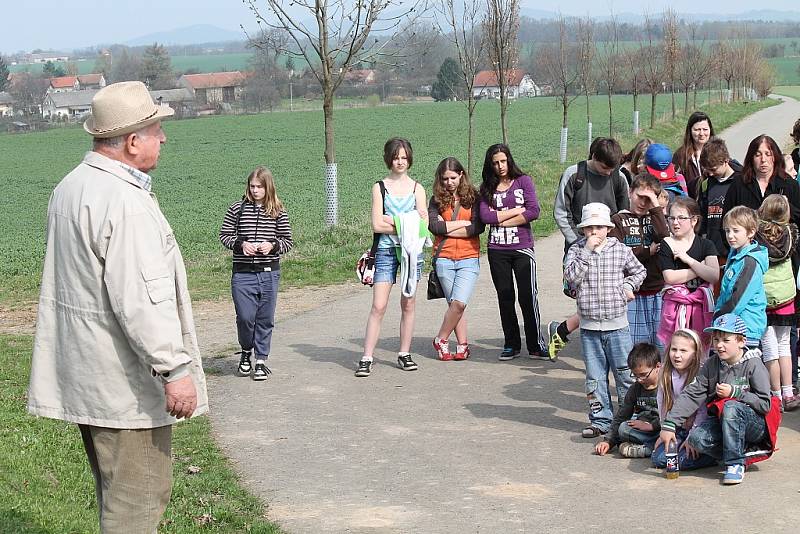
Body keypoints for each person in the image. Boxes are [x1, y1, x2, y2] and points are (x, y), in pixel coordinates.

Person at [27, 81, 208, 532]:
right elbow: (143, 299)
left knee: (116, 493)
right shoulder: (124, 202)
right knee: (137, 504)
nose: (163, 138)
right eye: (156, 129)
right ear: (131, 142)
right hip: (126, 384)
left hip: (91, 373)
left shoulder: (72, 187)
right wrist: (175, 370)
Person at [659, 314, 776, 485]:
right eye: (716, 339)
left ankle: (735, 463)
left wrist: (736, 393)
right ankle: (737, 452)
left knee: (731, 407)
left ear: (741, 342)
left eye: (726, 340)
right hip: (724, 422)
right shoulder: (713, 364)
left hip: (754, 426)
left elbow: (765, 404)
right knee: (696, 439)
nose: (719, 345)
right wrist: (670, 424)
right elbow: (692, 393)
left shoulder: (754, 364)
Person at [563, 203, 646, 438]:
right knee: (595, 377)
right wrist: (587, 252)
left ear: (608, 229)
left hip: (617, 325)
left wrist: (628, 285)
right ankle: (600, 420)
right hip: (589, 327)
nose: (594, 233)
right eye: (589, 228)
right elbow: (571, 277)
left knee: (625, 374)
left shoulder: (620, 250)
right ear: (583, 230)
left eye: (599, 227)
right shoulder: (577, 250)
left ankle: (629, 417)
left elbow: (639, 271)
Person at [548, 138, 629, 359]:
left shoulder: (618, 177)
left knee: (606, 298)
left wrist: (614, 242)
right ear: (594, 157)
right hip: (579, 248)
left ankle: (566, 330)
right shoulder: (575, 174)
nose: (608, 173)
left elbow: (625, 212)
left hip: (610, 250)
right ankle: (589, 346)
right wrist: (578, 242)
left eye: (612, 168)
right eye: (605, 168)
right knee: (586, 299)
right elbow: (561, 212)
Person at [357, 138, 428, 377]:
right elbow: (377, 224)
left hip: (412, 252)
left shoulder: (418, 188)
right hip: (386, 252)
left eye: (404, 157)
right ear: (389, 159)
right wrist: (407, 221)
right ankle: (367, 356)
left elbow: (423, 226)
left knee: (408, 303)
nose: (400, 162)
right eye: (396, 157)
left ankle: (404, 353)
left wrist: (394, 220)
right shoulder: (379, 187)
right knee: (379, 305)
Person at [219, 167, 293, 380]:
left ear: (267, 187)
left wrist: (272, 245)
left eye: (259, 186)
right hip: (243, 273)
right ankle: (245, 351)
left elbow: (288, 241)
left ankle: (260, 360)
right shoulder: (237, 209)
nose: (255, 190)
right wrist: (241, 244)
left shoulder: (278, 210)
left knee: (265, 317)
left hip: (269, 273)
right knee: (245, 317)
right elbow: (224, 235)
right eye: (252, 186)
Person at [478, 143, 547, 360]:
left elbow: (534, 210)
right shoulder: (486, 188)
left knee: (528, 296)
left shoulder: (523, 181)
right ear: (490, 164)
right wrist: (518, 210)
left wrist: (505, 220)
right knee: (505, 297)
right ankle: (511, 344)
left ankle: (535, 344)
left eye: (503, 161)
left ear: (509, 160)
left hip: (522, 248)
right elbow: (486, 218)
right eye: (496, 162)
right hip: (497, 249)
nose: (500, 166)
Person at [428, 157, 485, 361]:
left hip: (468, 257)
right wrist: (463, 225)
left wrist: (448, 227)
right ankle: (462, 346)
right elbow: (434, 227)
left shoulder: (475, 198)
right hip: (443, 258)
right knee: (454, 304)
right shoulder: (436, 200)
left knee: (459, 303)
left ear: (461, 175)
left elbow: (477, 228)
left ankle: (441, 339)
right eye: (445, 179)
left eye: (453, 177)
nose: (449, 182)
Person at [610, 173, 670, 348]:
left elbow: (664, 238)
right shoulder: (618, 220)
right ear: (630, 192)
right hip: (632, 294)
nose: (643, 203)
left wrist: (656, 207)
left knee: (660, 344)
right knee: (637, 345)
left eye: (648, 199)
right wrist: (647, 251)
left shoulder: (656, 218)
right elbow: (620, 255)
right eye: (640, 197)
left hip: (656, 289)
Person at [755, 194, 799, 408]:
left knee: (769, 347)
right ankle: (789, 392)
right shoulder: (791, 235)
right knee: (784, 346)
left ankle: (775, 395)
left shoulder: (755, 236)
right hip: (785, 298)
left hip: (763, 298)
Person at [656, 197, 719, 346]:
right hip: (674, 307)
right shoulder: (667, 243)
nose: (675, 222)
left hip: (700, 307)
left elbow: (714, 275)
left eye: (681, 218)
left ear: (694, 220)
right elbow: (670, 277)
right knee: (676, 349)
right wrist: (699, 268)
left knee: (699, 350)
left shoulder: (706, 244)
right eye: (671, 218)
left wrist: (688, 260)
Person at [651, 329, 716, 471]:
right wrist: (665, 430)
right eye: (674, 349)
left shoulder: (700, 374)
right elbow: (662, 405)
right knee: (659, 459)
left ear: (695, 354)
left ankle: (711, 456)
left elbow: (702, 411)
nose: (677, 355)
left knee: (676, 459)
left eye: (683, 351)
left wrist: (691, 438)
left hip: (698, 429)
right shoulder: (665, 372)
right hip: (677, 428)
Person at [594, 343, 662, 458]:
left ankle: (650, 448)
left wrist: (652, 426)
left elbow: (673, 415)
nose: (640, 380)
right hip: (643, 429)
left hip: (663, 427)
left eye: (643, 375)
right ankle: (649, 447)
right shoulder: (635, 388)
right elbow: (622, 415)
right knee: (623, 428)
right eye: (635, 375)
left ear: (657, 367)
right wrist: (608, 441)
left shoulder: (668, 386)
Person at [716, 206, 768, 350]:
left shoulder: (750, 262)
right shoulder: (735, 255)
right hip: (731, 324)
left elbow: (738, 299)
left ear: (751, 232)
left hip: (745, 328)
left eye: (736, 231)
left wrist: (719, 317)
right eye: (727, 231)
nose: (730, 235)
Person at [722, 134, 800, 229]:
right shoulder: (739, 184)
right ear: (751, 158)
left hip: (782, 242)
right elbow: (726, 221)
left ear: (775, 157)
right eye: (757, 155)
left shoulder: (789, 185)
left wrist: (786, 206)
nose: (763, 160)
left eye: (768, 154)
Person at [697, 137, 740, 263]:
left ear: (726, 161)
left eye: (714, 169)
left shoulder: (741, 181)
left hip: (735, 248)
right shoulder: (705, 185)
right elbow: (702, 216)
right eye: (707, 169)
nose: (710, 173)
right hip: (713, 250)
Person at [673, 111, 715, 197]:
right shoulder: (681, 155)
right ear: (690, 131)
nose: (701, 133)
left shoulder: (717, 151)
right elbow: (674, 181)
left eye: (705, 129)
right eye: (697, 130)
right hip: (689, 203)